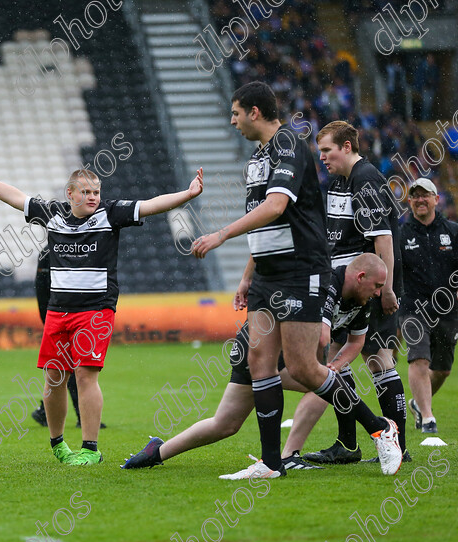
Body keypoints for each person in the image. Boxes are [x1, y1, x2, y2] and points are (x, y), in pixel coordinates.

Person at [191, 81, 401, 478]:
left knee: (306, 367)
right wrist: (247, 275)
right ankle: (272, 464)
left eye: (236, 113)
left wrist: (221, 234)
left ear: (255, 112)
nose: (231, 121)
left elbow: (277, 206)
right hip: (268, 275)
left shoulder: (288, 144)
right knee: (260, 361)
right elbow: (266, 223)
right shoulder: (257, 158)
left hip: (301, 270)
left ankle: (380, 428)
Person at [0, 152, 203, 465]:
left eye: (96, 192)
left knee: (85, 376)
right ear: (70, 194)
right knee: (53, 378)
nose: (93, 197)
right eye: (86, 192)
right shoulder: (53, 214)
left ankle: (90, 449)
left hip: (96, 310)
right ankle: (59, 445)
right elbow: (16, 197)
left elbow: (151, 204)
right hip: (57, 311)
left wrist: (188, 194)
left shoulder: (111, 213)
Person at [122, 253, 386, 472]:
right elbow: (321, 338)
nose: (378, 293)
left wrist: (333, 365)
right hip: (262, 347)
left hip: (255, 344)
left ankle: (156, 452)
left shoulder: (357, 298)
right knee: (318, 383)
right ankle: (290, 455)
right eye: (376, 287)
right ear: (360, 277)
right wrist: (324, 367)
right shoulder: (328, 281)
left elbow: (354, 342)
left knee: (225, 424)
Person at [283, 120, 407, 465]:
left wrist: (387, 290)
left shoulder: (366, 179)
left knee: (379, 359)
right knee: (337, 356)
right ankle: (348, 445)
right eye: (320, 151)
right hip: (345, 288)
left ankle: (400, 445)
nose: (322, 157)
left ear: (348, 147)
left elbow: (383, 239)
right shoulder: (339, 181)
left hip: (370, 286)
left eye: (328, 151)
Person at [400, 178, 458, 435]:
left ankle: (417, 403)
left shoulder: (452, 231)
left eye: (426, 195)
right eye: (415, 196)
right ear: (409, 201)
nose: (420, 199)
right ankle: (427, 418)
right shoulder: (400, 234)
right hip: (413, 309)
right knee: (419, 358)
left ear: (436, 199)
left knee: (443, 369)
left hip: (447, 311)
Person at [30, 247, 105, 430]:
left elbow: (41, 287)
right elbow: (43, 288)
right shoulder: (52, 252)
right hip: (62, 317)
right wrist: (50, 319)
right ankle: (77, 415)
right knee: (72, 369)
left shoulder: (56, 250)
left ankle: (45, 411)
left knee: (67, 370)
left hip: (74, 316)